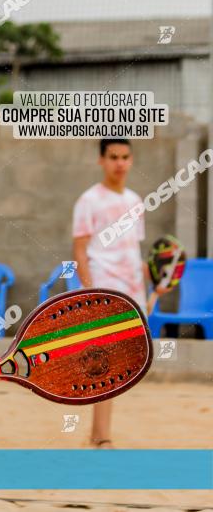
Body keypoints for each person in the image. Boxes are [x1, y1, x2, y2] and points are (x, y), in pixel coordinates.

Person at [72, 138, 170, 448]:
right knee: (107, 363)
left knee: (118, 367)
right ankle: (102, 437)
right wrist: (91, 292)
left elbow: (132, 251)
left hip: (133, 293)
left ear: (132, 159)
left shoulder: (135, 200)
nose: (120, 163)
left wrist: (155, 281)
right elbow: (80, 252)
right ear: (101, 160)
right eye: (113, 156)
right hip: (105, 290)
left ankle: (97, 434)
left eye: (125, 157)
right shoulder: (88, 201)